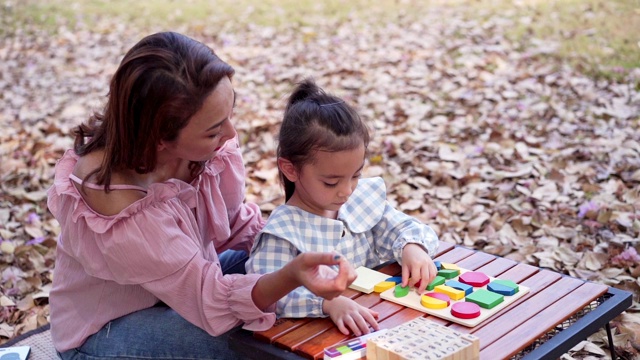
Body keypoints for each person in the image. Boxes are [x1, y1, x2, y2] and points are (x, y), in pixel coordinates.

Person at [46, 32, 357, 360]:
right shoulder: (120, 205)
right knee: (250, 340)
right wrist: (292, 275)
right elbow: (212, 300)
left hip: (188, 284)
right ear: (160, 138)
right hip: (104, 332)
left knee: (277, 266)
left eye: (229, 114)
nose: (230, 134)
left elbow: (236, 222)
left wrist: (290, 245)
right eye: (213, 130)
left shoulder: (200, 152)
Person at [245, 79, 440, 337]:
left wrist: (412, 248)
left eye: (356, 175)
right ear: (290, 169)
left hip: (380, 325)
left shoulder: (358, 200)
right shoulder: (283, 232)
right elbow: (266, 293)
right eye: (331, 182)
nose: (347, 190)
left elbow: (402, 227)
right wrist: (328, 303)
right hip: (317, 340)